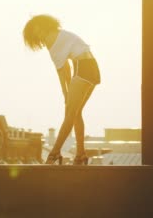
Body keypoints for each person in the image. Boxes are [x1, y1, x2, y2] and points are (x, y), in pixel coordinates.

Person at [22, 14, 101, 165]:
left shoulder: (50, 39)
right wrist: (68, 90)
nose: (37, 33)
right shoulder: (60, 35)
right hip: (91, 68)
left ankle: (54, 153)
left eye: (36, 29)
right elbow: (65, 67)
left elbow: (61, 71)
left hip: (82, 68)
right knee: (76, 113)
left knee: (70, 114)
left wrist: (65, 92)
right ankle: (80, 154)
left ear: (43, 25)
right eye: (34, 31)